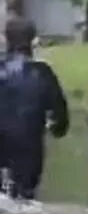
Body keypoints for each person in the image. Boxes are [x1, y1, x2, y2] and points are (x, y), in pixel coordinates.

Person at [0, 17, 69, 201]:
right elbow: (60, 112)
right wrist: (57, 128)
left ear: (5, 39)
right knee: (25, 195)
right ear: (33, 41)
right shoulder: (43, 73)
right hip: (28, 147)